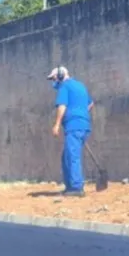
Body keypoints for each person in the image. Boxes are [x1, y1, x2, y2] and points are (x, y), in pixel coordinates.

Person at [47, 66, 94, 197]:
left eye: (54, 78)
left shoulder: (64, 87)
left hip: (74, 126)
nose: (53, 81)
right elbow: (90, 104)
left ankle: (76, 188)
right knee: (66, 156)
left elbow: (62, 106)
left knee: (72, 156)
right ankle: (70, 186)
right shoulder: (80, 86)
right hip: (84, 125)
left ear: (61, 75)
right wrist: (81, 113)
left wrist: (57, 124)